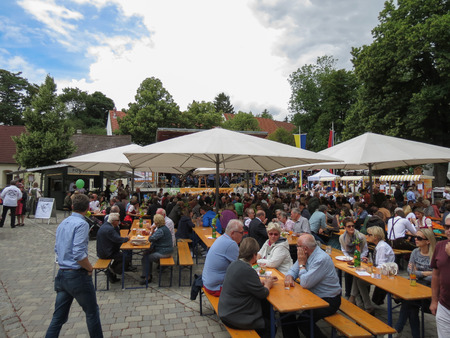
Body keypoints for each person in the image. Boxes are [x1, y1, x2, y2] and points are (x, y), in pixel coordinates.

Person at [46, 194, 103, 337]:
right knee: (92, 313)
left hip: (62, 274)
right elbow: (78, 254)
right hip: (77, 275)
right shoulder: (82, 224)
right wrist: (89, 268)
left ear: (72, 207)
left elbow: (57, 248)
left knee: (58, 317)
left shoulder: (63, 223)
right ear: (88, 208)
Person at [282, 234, 341, 338]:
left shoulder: (321, 259)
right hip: (312, 296)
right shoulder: (306, 254)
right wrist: (290, 276)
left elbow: (305, 283)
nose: (296, 248)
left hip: (328, 300)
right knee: (285, 312)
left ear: (304, 249)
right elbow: (292, 271)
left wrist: (301, 264)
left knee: (304, 321)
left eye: (297, 246)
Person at [218, 237, 275, 337]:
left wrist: (260, 283)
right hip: (234, 317)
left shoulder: (234, 264)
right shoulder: (247, 270)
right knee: (270, 325)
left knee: (264, 307)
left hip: (225, 311)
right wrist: (268, 285)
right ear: (254, 255)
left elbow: (246, 285)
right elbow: (263, 293)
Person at [395, 228, 435, 337]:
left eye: (419, 238)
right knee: (412, 307)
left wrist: (418, 273)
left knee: (409, 302)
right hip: (415, 287)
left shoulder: (434, 255)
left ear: (428, 241)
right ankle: (414, 335)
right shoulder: (415, 252)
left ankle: (398, 329)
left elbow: (436, 278)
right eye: (415, 237)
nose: (415, 240)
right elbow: (410, 272)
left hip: (430, 293)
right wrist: (426, 273)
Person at [202, 220, 244, 295]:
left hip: (207, 282)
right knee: (247, 289)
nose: (243, 235)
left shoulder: (221, 238)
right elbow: (241, 267)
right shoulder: (231, 244)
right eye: (241, 233)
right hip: (216, 287)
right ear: (232, 233)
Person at [430, 215, 450, 337]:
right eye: (446, 227)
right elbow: (436, 275)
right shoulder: (440, 246)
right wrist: (434, 300)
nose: (448, 230)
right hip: (444, 305)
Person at [96, 212, 130, 283]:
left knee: (121, 255)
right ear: (114, 221)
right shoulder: (110, 229)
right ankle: (112, 271)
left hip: (103, 251)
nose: (119, 222)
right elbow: (118, 239)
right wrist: (126, 238)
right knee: (126, 257)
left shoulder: (105, 225)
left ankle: (112, 270)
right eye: (118, 220)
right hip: (107, 253)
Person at [140, 214, 174, 284]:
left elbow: (150, 239)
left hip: (164, 252)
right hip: (164, 249)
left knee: (147, 257)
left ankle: (148, 277)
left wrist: (152, 229)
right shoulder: (163, 228)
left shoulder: (161, 230)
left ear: (156, 222)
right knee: (145, 253)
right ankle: (146, 274)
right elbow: (155, 236)